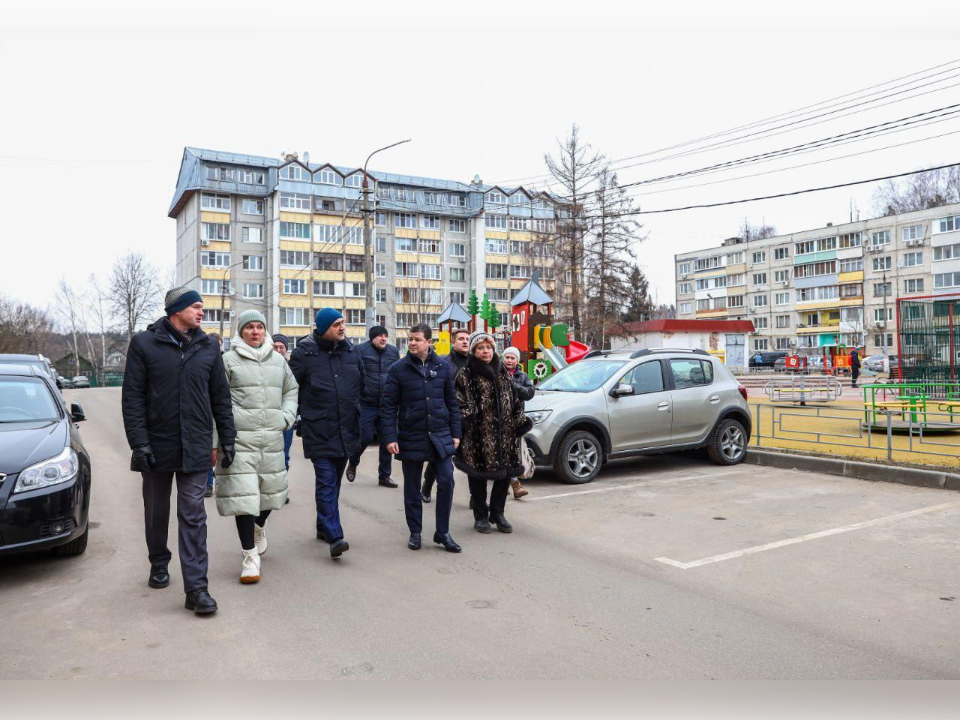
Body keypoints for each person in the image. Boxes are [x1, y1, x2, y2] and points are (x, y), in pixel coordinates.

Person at [121, 287, 235, 616]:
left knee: (194, 515)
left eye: (202, 307)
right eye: (196, 307)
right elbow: (133, 398)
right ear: (177, 310)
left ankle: (196, 588)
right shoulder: (144, 344)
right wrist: (138, 442)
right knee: (156, 510)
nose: (202, 312)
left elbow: (220, 396)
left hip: (197, 445)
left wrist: (227, 436)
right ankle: (158, 561)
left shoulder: (208, 346)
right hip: (156, 444)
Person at [216, 311, 298, 584]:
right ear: (241, 332)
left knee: (269, 494)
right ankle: (249, 557)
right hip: (240, 442)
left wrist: (286, 417)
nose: (255, 331)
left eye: (259, 327)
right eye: (249, 327)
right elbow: (217, 400)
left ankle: (259, 527)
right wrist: (219, 439)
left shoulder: (278, 361)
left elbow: (291, 389)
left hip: (271, 440)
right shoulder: (227, 361)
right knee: (243, 499)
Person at [289, 308, 364, 559]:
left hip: (346, 428)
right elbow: (291, 391)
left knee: (335, 482)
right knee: (326, 481)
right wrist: (299, 416)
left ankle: (323, 526)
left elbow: (361, 386)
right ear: (323, 328)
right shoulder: (303, 355)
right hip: (318, 429)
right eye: (336, 324)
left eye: (343, 323)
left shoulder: (352, 353)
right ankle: (335, 536)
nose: (342, 328)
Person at [381, 324, 463, 553]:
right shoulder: (399, 369)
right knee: (412, 487)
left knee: (447, 481)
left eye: (417, 339)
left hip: (440, 434)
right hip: (411, 434)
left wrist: (456, 433)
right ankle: (415, 532)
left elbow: (452, 403)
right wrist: (389, 436)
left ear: (429, 342)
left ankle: (442, 532)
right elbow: (388, 406)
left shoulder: (443, 367)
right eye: (410, 339)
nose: (413, 343)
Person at [454, 331, 532, 534]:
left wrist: (519, 422)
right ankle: (480, 516)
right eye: (480, 348)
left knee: (504, 475)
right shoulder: (466, 374)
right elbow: (458, 402)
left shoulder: (503, 372)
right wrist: (467, 421)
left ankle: (497, 513)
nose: (485, 351)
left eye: (488, 347)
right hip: (478, 436)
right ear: (474, 351)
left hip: (505, 435)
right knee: (478, 477)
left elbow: (513, 400)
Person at [347, 325, 400, 488]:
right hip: (366, 403)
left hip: (386, 404)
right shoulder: (359, 350)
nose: (384, 338)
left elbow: (397, 375)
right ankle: (353, 462)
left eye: (385, 335)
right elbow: (352, 373)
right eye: (380, 336)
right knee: (365, 437)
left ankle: (384, 476)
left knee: (387, 441)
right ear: (372, 338)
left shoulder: (393, 351)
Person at [421, 327, 471, 503]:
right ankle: (427, 487)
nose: (465, 341)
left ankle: (475, 498)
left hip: (469, 418)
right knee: (441, 455)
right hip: (448, 417)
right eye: (461, 339)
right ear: (453, 342)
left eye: (467, 339)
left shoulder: (474, 363)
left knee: (472, 459)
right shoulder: (444, 363)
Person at [501, 346, 535, 499]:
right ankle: (513, 484)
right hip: (499, 419)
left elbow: (529, 394)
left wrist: (512, 384)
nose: (509, 360)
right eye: (507, 357)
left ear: (517, 360)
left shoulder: (522, 376)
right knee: (503, 452)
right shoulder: (496, 373)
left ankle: (509, 482)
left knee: (512, 452)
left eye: (512, 358)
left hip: (515, 421)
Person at [272, 333, 296, 480]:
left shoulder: (292, 368)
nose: (279, 350)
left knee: (284, 455)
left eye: (282, 347)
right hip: (268, 419)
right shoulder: (264, 367)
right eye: (275, 347)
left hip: (286, 419)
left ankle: (282, 486)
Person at [205, 332, 224, 498]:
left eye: (218, 345)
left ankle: (213, 480)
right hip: (209, 411)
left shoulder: (227, 361)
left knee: (219, 451)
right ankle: (209, 483)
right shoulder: (204, 361)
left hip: (223, 411)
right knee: (211, 450)